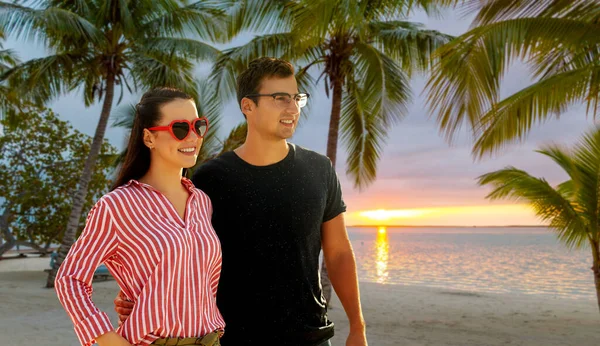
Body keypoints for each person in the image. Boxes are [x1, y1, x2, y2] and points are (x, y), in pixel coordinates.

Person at [116, 58, 368, 346]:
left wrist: (357, 326)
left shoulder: (320, 169)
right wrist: (135, 292)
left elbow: (338, 253)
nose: (292, 108)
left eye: (296, 98)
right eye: (279, 98)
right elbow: (177, 253)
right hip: (233, 338)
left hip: (311, 337)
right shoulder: (211, 178)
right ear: (248, 106)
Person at [55, 88, 225, 346]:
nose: (192, 137)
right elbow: (70, 279)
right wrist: (111, 340)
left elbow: (201, 283)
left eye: (198, 126)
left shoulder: (201, 202)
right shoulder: (117, 206)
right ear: (149, 138)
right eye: (179, 128)